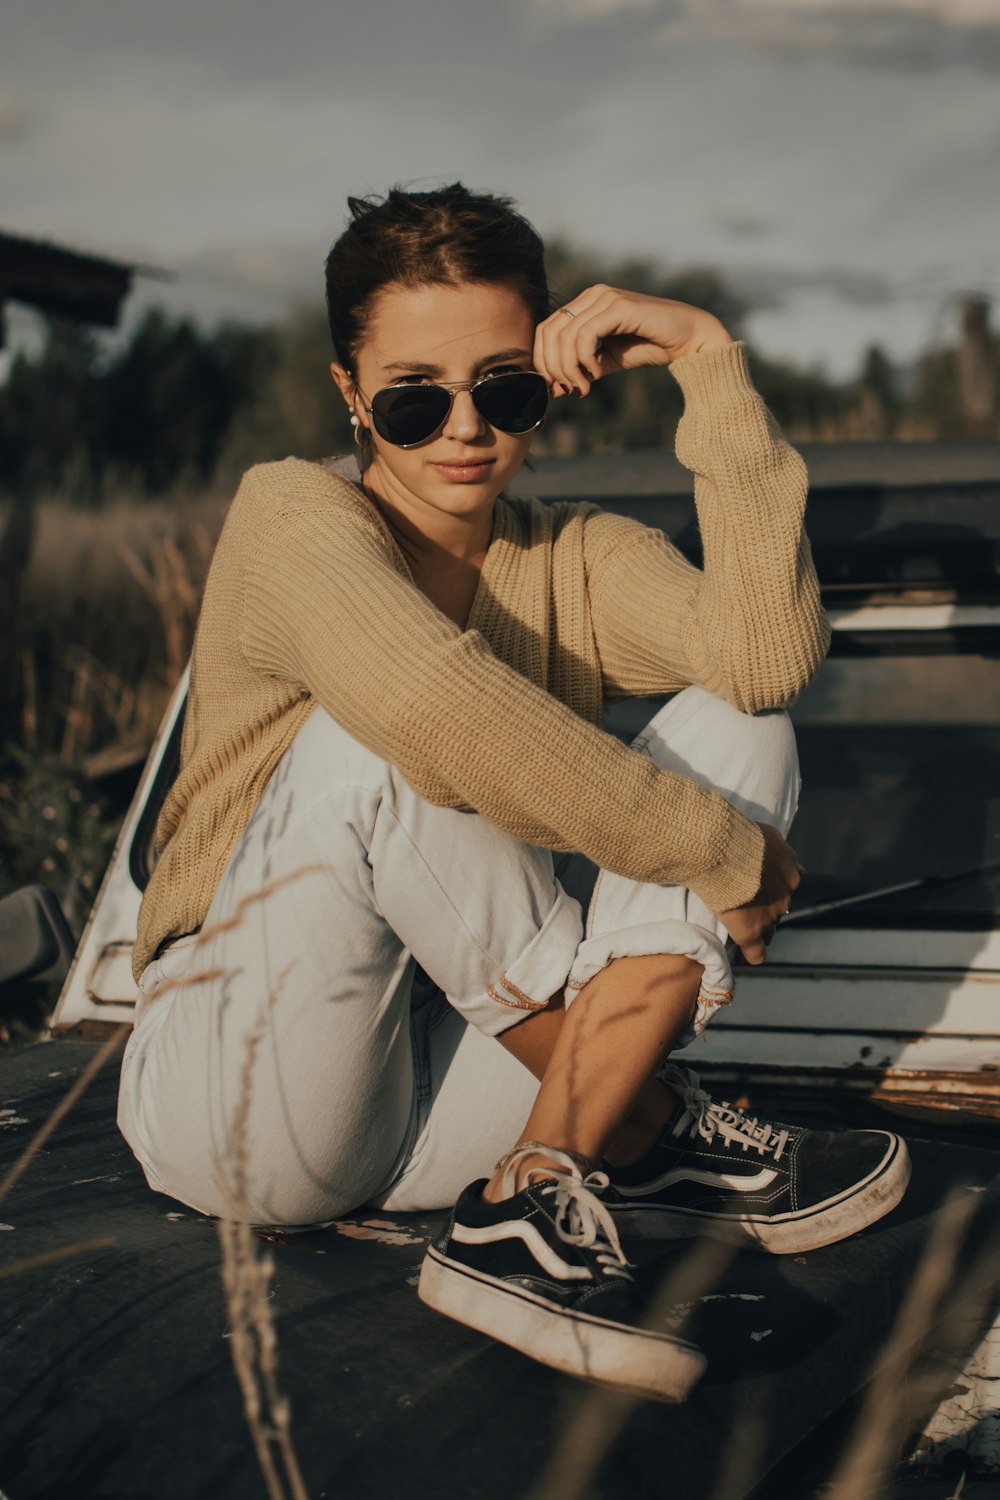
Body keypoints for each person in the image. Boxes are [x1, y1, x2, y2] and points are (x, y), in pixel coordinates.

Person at [117, 182, 910, 1404]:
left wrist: (707, 360)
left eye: (504, 387)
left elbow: (764, 659)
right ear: (347, 394)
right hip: (244, 1094)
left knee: (738, 722)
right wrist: (725, 852)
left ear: (552, 379)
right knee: (378, 738)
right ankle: (646, 1121)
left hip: (465, 1094)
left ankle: (542, 1187)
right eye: (412, 396)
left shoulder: (572, 555)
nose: (463, 429)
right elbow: (433, 710)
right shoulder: (292, 514)